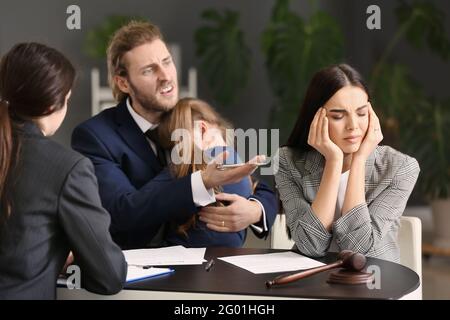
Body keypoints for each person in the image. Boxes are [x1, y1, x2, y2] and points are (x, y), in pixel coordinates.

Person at [71, 21, 277, 249]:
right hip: (137, 273)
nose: (166, 76)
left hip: (208, 268)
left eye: (167, 62)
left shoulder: (189, 116)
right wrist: (193, 165)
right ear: (124, 83)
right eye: (149, 70)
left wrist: (255, 211)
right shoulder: (95, 136)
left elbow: (256, 184)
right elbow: (122, 212)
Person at [0, 43, 127, 299]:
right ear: (50, 107)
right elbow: (109, 276)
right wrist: (67, 256)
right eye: (66, 100)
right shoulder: (69, 168)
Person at [274, 64, 420, 262]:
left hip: (373, 281)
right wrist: (334, 162)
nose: (353, 126)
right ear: (315, 118)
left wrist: (359, 160)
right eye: (338, 116)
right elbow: (310, 246)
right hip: (310, 280)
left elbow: (359, 248)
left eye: (361, 113)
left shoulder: (400, 168)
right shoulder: (287, 161)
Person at [158, 97, 259, 247]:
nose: (176, 157)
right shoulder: (239, 166)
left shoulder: (214, 159)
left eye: (178, 146)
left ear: (203, 130)